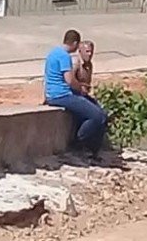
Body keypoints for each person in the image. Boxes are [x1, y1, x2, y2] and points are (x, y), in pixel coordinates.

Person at [44, 29, 107, 157]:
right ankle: (79, 142)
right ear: (74, 43)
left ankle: (91, 148)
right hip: (62, 95)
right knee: (98, 116)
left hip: (52, 94)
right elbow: (69, 80)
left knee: (91, 110)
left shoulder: (52, 53)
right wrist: (80, 89)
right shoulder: (64, 56)